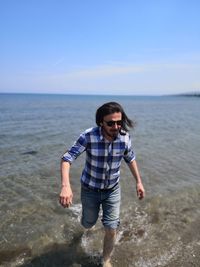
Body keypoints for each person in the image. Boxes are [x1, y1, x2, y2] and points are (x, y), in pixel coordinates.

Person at [59, 102, 145, 267]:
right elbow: (67, 158)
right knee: (88, 223)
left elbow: (130, 158)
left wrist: (139, 182)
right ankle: (87, 222)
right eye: (110, 123)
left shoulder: (125, 137)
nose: (116, 126)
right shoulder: (88, 136)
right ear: (101, 122)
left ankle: (105, 260)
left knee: (111, 228)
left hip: (112, 190)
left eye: (119, 122)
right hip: (90, 189)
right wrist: (65, 186)